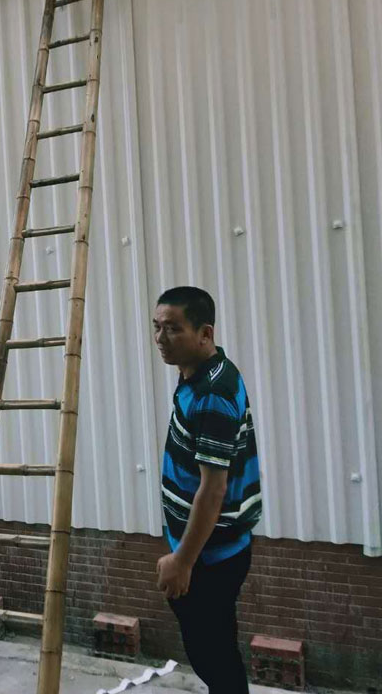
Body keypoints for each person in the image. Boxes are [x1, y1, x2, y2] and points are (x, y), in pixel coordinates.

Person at [153, 286, 261, 694]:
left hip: (210, 556)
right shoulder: (199, 374)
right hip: (208, 549)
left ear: (205, 333)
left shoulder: (212, 394)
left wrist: (183, 560)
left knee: (213, 658)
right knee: (216, 651)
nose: (161, 338)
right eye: (157, 327)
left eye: (173, 328)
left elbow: (213, 490)